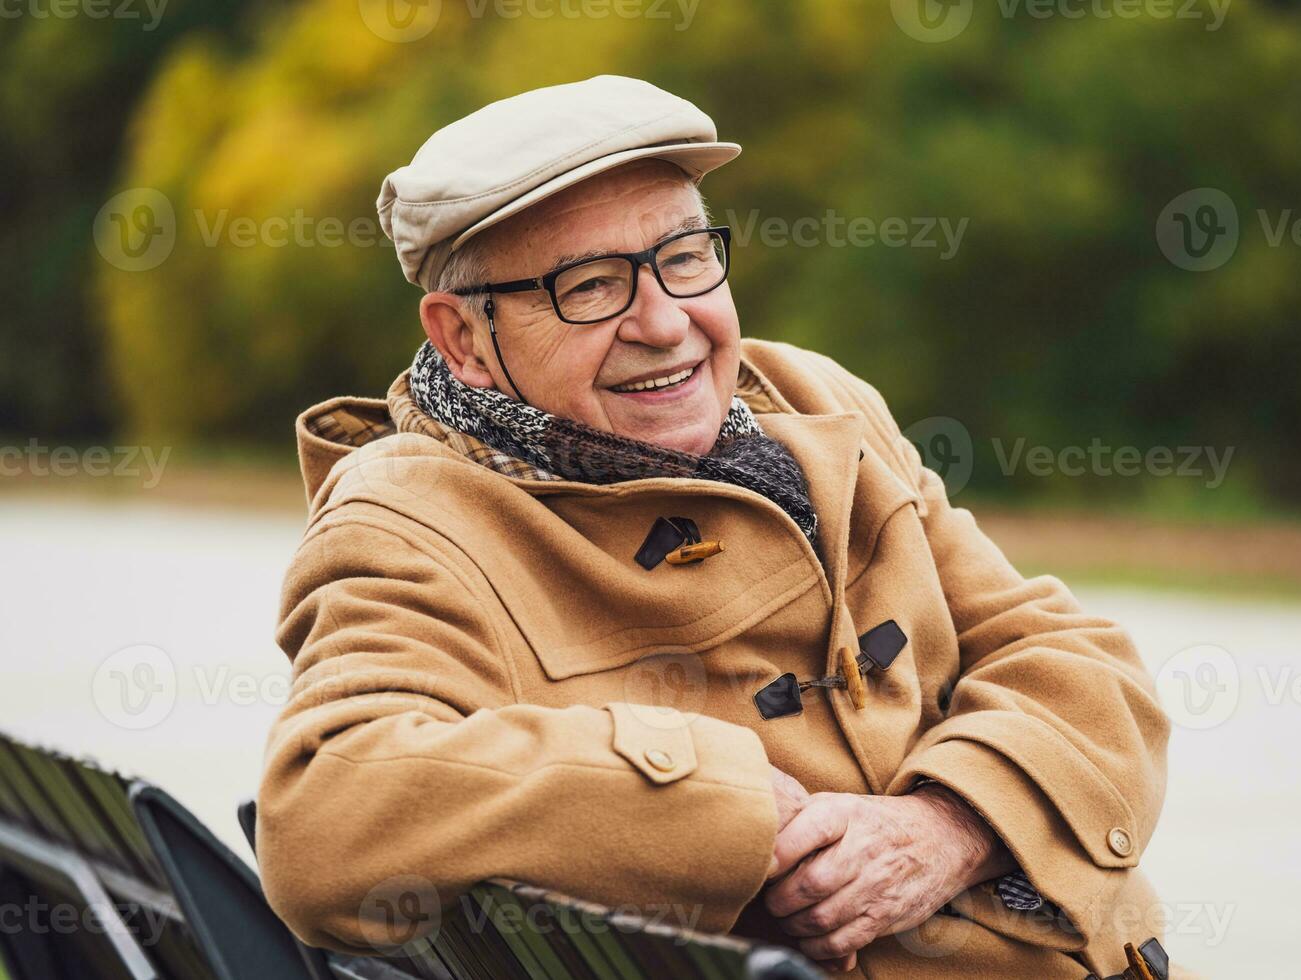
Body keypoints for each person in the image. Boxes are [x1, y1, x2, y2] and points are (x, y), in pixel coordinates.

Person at [255, 74, 1173, 979]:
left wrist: (950, 825)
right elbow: (330, 811)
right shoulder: (408, 519)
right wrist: (721, 802)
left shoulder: (817, 401)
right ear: (462, 337)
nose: (665, 323)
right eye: (590, 286)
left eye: (685, 257)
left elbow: (1081, 668)